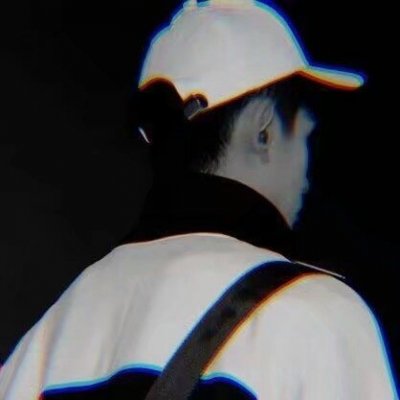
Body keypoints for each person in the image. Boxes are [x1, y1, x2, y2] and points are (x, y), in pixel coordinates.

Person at [0, 0, 397, 398]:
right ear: (263, 131)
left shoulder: (49, 337)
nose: (307, 167)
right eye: (304, 135)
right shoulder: (318, 316)